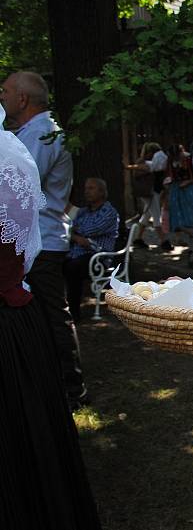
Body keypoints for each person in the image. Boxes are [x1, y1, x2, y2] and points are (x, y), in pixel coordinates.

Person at [0, 103, 102, 530]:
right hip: (19, 306)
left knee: (60, 314)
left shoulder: (26, 147)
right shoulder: (17, 149)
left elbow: (17, 251)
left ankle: (74, 382)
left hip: (10, 318)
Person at [0, 70, 87, 408]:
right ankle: (48, 383)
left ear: (23, 99)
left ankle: (71, 388)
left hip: (44, 242)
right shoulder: (29, 132)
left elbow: (17, 182)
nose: (2, 97)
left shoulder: (43, 133)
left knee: (53, 315)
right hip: (32, 241)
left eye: (6, 91)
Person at [63, 178, 120, 322]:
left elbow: (88, 230)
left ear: (102, 192)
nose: (87, 192)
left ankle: (74, 313)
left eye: (91, 188)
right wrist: (76, 237)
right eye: (86, 188)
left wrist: (74, 235)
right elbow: (70, 229)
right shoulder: (83, 212)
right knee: (55, 263)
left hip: (98, 257)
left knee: (73, 268)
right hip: (77, 253)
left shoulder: (109, 212)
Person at [152, 144, 193, 268]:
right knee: (178, 221)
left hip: (191, 192)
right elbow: (167, 176)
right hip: (177, 192)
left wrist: (188, 181)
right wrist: (168, 186)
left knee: (192, 219)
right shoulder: (170, 161)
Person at [126, 142, 172, 250]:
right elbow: (139, 173)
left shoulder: (150, 163)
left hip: (151, 192)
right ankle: (164, 240)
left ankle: (138, 238)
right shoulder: (144, 162)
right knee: (156, 215)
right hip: (149, 192)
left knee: (146, 215)